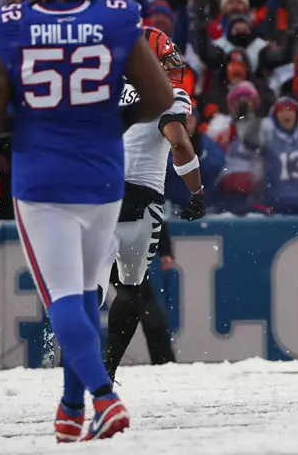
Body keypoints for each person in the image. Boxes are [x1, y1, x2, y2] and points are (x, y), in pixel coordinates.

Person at [0, 0, 173, 442]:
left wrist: (38, 120)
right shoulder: (115, 17)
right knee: (84, 293)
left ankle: (104, 397)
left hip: (43, 176)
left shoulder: (12, 23)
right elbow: (156, 98)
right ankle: (69, 405)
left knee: (64, 296)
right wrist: (105, 119)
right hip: (104, 172)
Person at [100, 27, 207, 381]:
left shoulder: (105, 88)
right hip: (141, 200)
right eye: (166, 60)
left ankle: (73, 356)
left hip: (98, 195)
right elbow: (178, 141)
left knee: (91, 287)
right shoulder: (170, 94)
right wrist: (196, 191)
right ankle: (106, 369)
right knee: (131, 289)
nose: (173, 67)